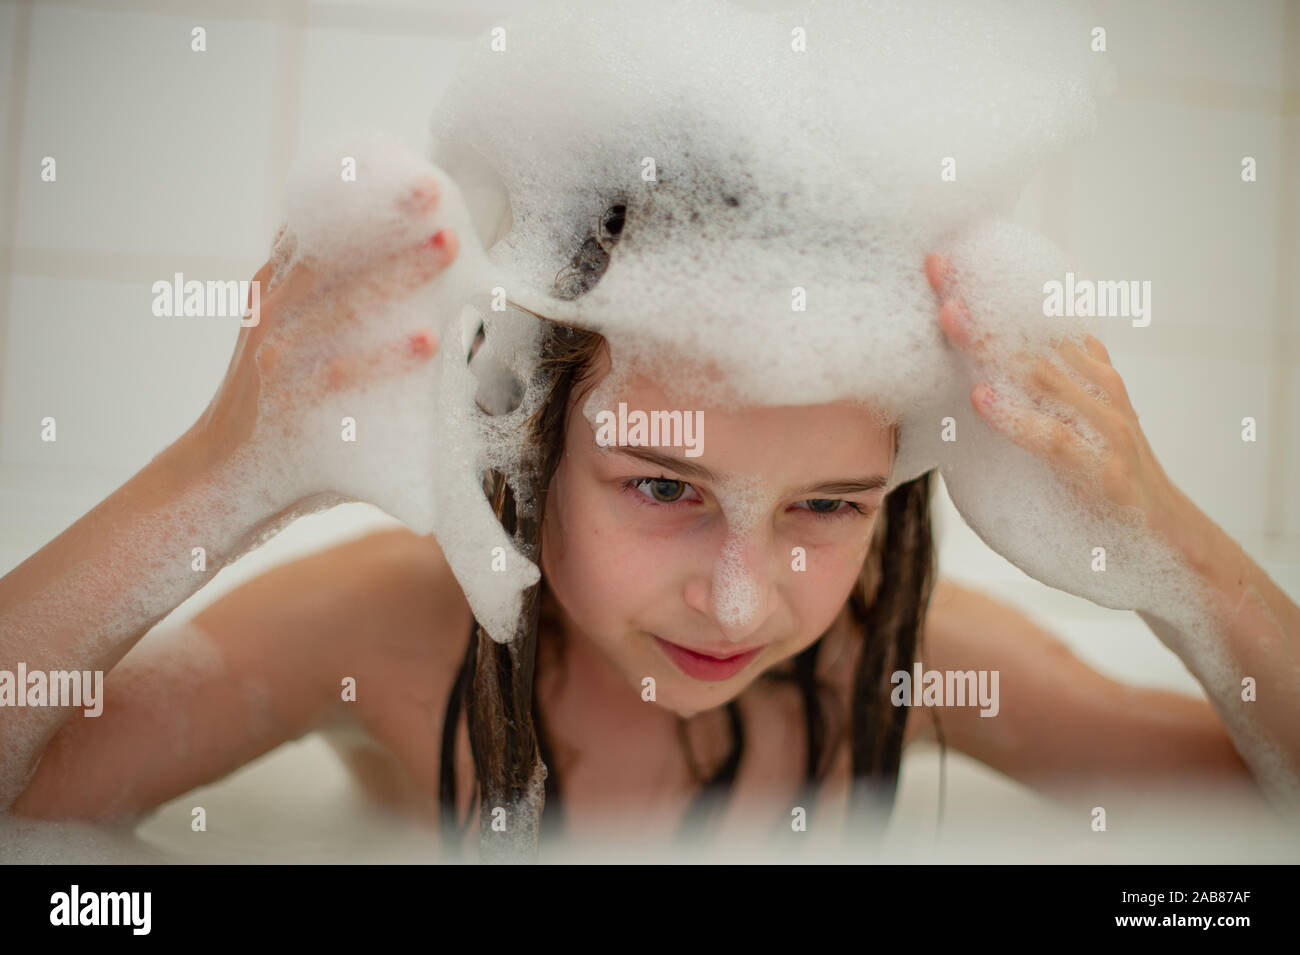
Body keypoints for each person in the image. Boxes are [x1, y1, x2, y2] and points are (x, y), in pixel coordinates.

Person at [2, 194, 1296, 861]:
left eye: (827, 506)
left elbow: (1268, 814)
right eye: (663, 488)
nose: (741, 605)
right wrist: (222, 474)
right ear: (526, 446)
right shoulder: (382, 632)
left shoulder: (894, 662)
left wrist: (1169, 544)